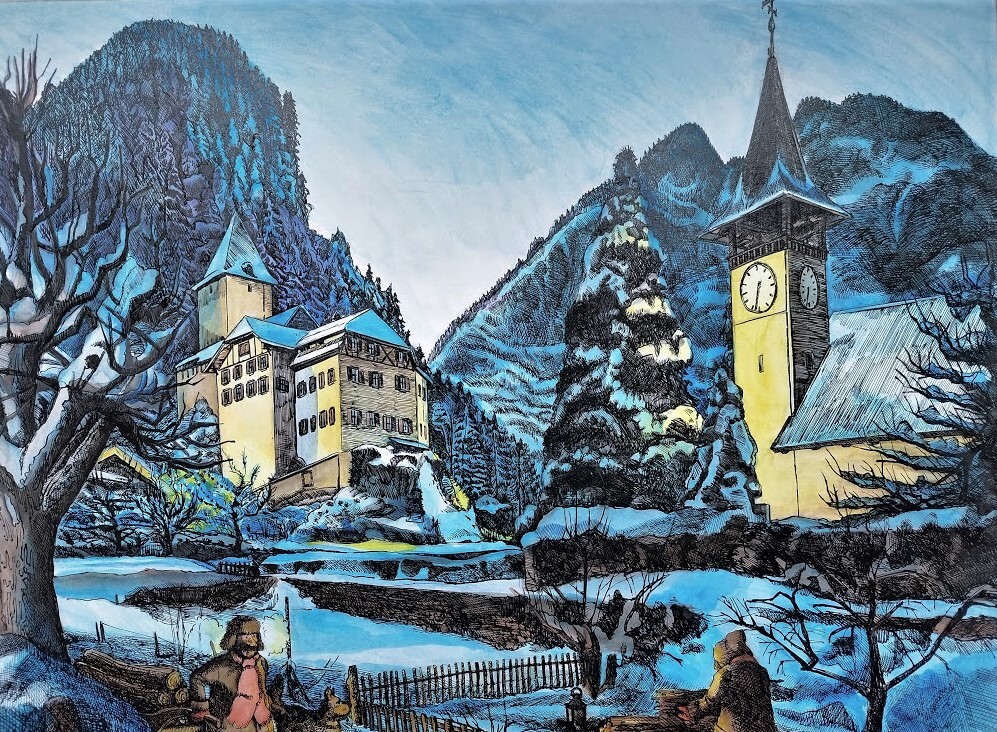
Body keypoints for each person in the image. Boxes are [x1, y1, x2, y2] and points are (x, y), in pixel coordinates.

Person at [190, 616, 281, 731]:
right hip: (227, 724)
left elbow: (261, 690)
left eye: (253, 636)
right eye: (246, 636)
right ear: (233, 639)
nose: (251, 641)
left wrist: (269, 704)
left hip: (258, 723)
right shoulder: (221, 665)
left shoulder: (260, 662)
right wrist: (202, 708)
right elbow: (197, 678)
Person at [678, 630, 777, 732]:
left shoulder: (728, 671)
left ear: (724, 655)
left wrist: (691, 710)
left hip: (733, 728)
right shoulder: (762, 672)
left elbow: (711, 700)